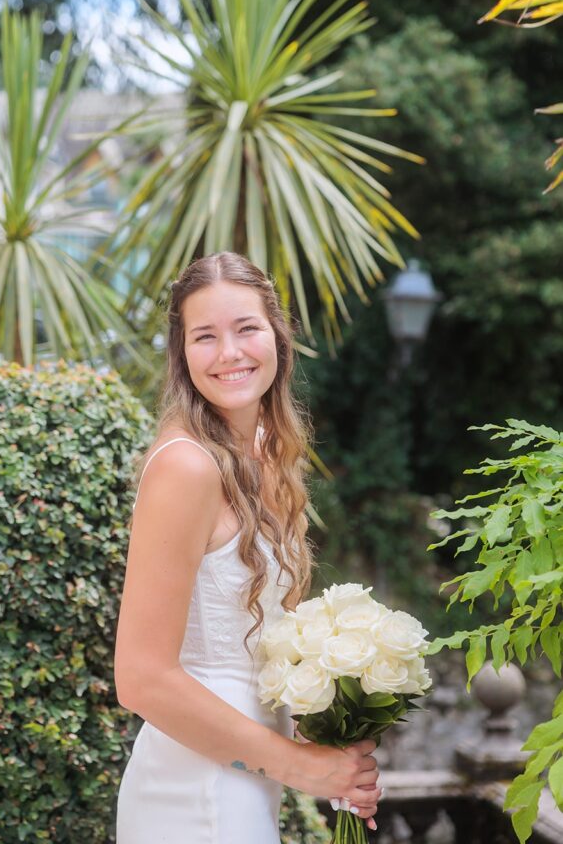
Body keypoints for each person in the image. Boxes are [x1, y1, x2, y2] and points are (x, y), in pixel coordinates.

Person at [114, 252, 380, 843]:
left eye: (246, 328)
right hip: (195, 788)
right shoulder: (186, 465)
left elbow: (268, 632)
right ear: (182, 354)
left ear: (278, 338)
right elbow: (141, 678)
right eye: (205, 336)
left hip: (246, 769)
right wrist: (303, 767)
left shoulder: (266, 448)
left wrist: (329, 722)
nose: (229, 353)